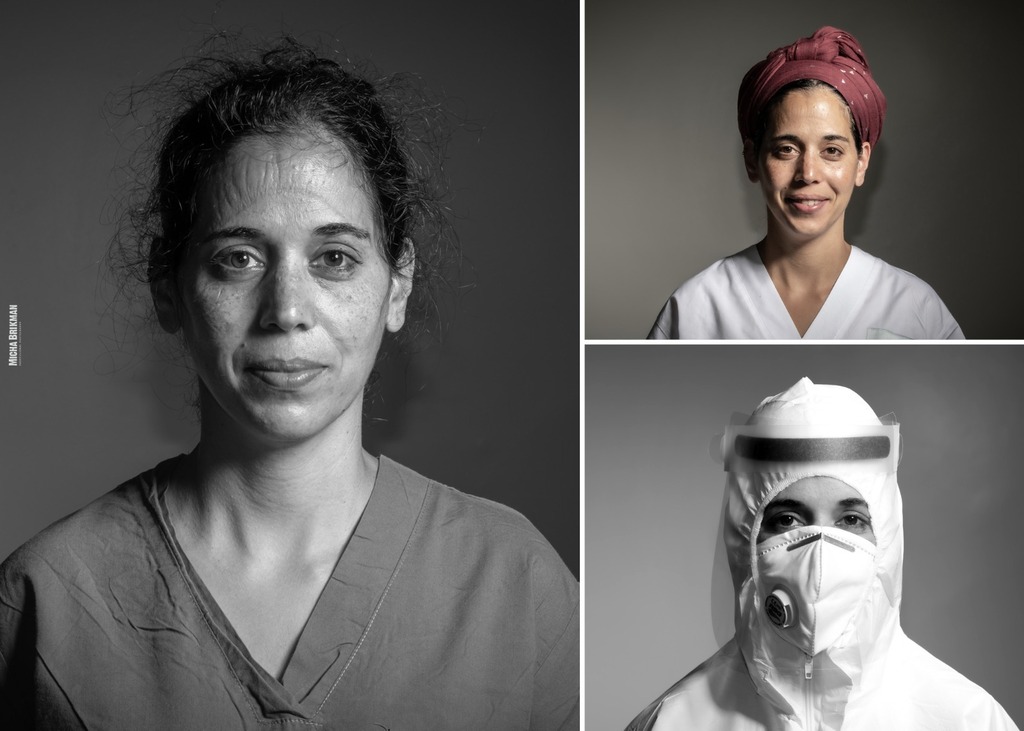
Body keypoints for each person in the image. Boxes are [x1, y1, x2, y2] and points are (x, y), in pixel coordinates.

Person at [0, 40, 579, 730]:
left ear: (398, 285)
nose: (287, 311)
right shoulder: (49, 602)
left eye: (334, 258)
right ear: (169, 288)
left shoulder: (516, 584)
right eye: (238, 258)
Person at [626, 378, 1016, 730]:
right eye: (788, 519)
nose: (820, 552)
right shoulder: (672, 722)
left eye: (849, 519)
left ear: (887, 536)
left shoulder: (968, 719)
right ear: (744, 536)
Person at [648, 27, 963, 339]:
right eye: (786, 149)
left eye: (831, 151)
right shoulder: (693, 310)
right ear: (752, 159)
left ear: (861, 161)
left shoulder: (918, 310)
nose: (808, 173)